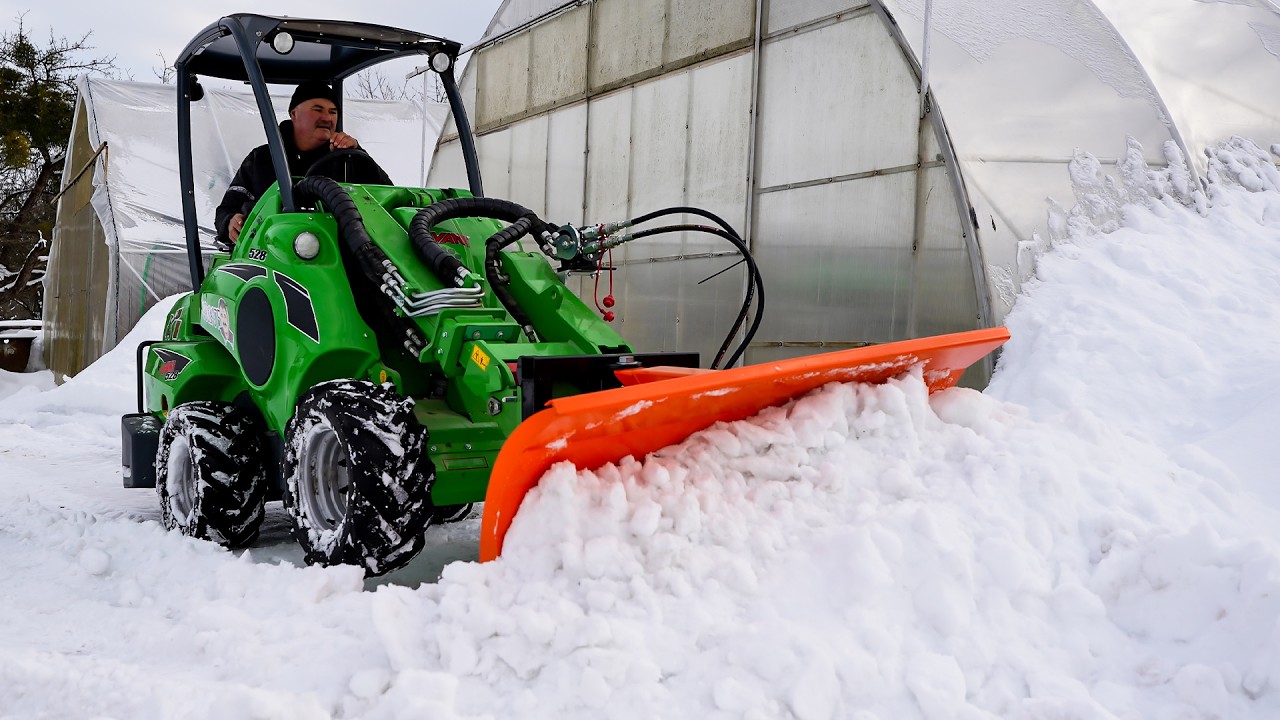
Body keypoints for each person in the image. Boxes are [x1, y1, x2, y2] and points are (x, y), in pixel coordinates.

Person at [214, 81, 391, 248]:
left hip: (337, 256)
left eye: (332, 112)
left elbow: (387, 196)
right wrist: (230, 222)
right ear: (294, 114)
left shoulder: (348, 160)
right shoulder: (261, 159)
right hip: (270, 254)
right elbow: (226, 210)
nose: (327, 118)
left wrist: (358, 153)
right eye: (318, 110)